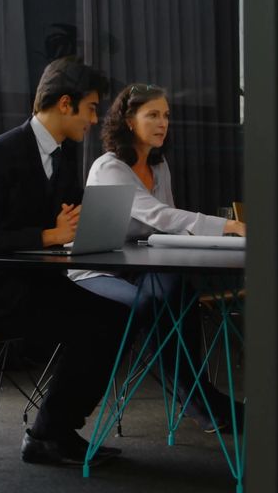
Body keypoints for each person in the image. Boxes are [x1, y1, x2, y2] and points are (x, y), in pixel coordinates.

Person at [0, 57, 128, 467]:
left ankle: (57, 430)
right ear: (65, 104)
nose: (94, 119)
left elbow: (66, 221)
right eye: (90, 108)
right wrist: (50, 235)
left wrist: (89, 227)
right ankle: (48, 434)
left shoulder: (62, 157)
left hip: (34, 282)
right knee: (97, 322)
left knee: (117, 313)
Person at [69, 83, 246, 432]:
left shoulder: (158, 165)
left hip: (137, 264)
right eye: (152, 115)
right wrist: (229, 226)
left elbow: (167, 228)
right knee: (151, 304)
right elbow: (160, 216)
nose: (162, 122)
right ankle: (199, 401)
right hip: (99, 269)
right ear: (129, 121)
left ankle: (200, 397)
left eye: (166, 115)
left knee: (179, 290)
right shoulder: (110, 167)